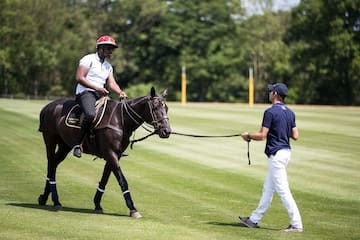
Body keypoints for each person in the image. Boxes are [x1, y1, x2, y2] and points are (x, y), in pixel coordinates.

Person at [238, 83, 303, 233]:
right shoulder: (290, 112)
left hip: (277, 155)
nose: (269, 93)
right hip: (286, 152)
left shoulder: (270, 112)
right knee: (268, 189)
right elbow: (296, 136)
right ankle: (254, 220)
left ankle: (297, 223)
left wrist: (247, 136)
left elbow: (262, 135)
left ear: (275, 94)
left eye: (270, 91)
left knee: (283, 190)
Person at [73, 35, 127, 158]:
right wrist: (97, 88)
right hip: (85, 93)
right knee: (91, 115)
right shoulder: (88, 59)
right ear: (101, 48)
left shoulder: (108, 66)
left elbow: (111, 83)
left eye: (112, 49)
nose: (111, 51)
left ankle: (114, 146)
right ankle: (78, 144)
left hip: (100, 95)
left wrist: (120, 92)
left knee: (117, 114)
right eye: (109, 48)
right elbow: (79, 77)